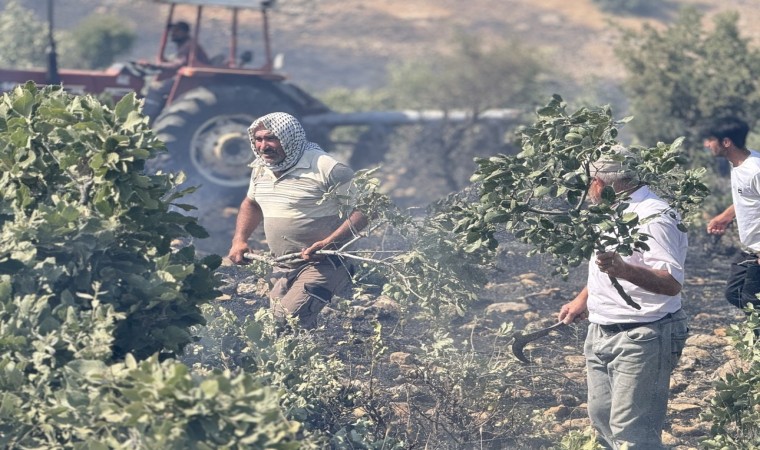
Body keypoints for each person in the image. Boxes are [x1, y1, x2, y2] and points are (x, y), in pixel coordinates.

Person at [558, 145, 689, 449]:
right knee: (602, 418)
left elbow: (672, 283)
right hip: (601, 330)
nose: (587, 189)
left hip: (645, 334)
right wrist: (584, 299)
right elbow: (607, 266)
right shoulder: (611, 211)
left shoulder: (654, 216)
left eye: (589, 181)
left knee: (633, 434)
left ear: (600, 182)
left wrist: (624, 270)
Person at [227, 112, 368, 330]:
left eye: (271, 138)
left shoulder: (327, 167)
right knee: (287, 331)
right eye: (258, 139)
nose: (264, 146)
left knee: (283, 323)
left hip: (323, 264)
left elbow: (366, 210)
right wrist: (239, 240)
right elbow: (251, 204)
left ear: (289, 138)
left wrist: (329, 242)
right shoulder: (261, 168)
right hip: (282, 265)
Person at [703, 117, 760, 311]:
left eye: (711, 140)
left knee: (753, 305)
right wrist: (726, 216)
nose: (707, 144)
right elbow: (750, 196)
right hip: (749, 247)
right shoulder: (737, 163)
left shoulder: (755, 170)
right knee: (734, 293)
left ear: (726, 142)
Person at [142, 21, 210, 123]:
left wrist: (153, 65)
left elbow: (177, 65)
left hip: (193, 79)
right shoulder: (185, 45)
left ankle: (147, 119)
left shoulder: (189, 46)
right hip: (187, 77)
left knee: (156, 88)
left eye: (177, 31)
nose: (173, 34)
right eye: (172, 31)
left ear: (185, 32)